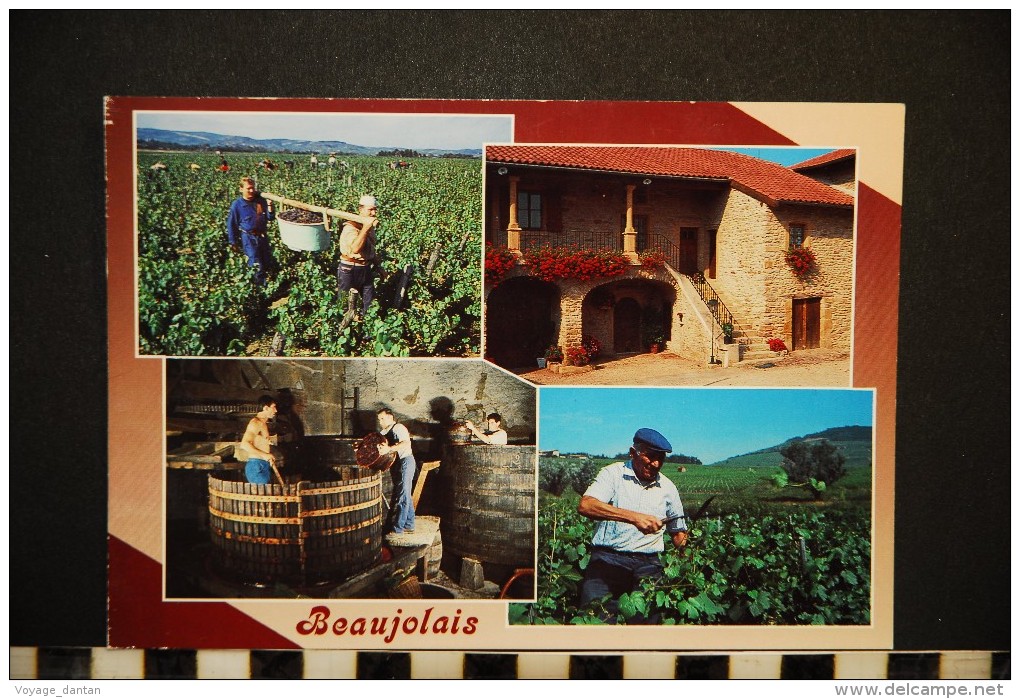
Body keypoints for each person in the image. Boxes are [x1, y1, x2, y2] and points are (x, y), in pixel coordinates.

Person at [577, 427, 688, 622]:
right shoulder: (613, 474)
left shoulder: (668, 488)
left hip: (649, 566)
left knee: (646, 630)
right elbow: (587, 505)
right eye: (650, 456)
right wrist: (634, 518)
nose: (655, 463)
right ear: (632, 452)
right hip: (607, 561)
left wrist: (686, 558)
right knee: (594, 624)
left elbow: (678, 534)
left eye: (660, 458)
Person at [226, 176, 275, 286]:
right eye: (248, 188)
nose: (252, 191)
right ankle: (258, 287)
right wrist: (233, 242)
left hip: (262, 237)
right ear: (241, 189)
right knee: (255, 262)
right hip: (249, 238)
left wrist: (270, 206)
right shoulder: (237, 205)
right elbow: (231, 224)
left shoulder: (260, 201)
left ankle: (268, 283)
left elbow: (270, 218)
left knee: (266, 260)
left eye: (253, 188)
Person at [376, 408, 416, 535]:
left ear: (390, 417)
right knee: (405, 493)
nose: (380, 422)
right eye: (379, 419)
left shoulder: (398, 428)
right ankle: (409, 524)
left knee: (403, 496)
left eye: (382, 418)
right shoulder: (383, 432)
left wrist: (389, 448)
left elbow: (405, 443)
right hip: (396, 464)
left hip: (406, 462)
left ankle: (397, 529)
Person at [337, 194, 379, 314]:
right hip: (349, 269)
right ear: (360, 209)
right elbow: (355, 249)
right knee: (344, 303)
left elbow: (370, 249)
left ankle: (367, 330)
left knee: (369, 304)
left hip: (365, 268)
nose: (373, 213)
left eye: (375, 209)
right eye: (370, 210)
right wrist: (365, 228)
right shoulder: (350, 227)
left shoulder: (369, 227)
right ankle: (341, 329)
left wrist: (378, 266)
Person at [241, 396, 278, 484]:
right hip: (256, 466)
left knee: (267, 494)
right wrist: (265, 455)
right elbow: (244, 444)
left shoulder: (263, 424)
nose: (276, 411)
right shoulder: (256, 423)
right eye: (273, 407)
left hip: (262, 464)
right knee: (263, 495)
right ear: (265, 408)